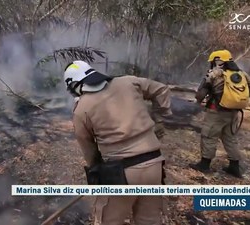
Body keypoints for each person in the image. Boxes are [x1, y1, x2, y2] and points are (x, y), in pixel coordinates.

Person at [63, 60, 172, 225]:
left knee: (109, 220)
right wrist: (158, 120)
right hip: (154, 166)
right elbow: (162, 89)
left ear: (75, 85)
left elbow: (89, 149)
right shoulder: (128, 81)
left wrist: (97, 170)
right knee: (149, 221)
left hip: (121, 175)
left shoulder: (81, 109)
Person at [189, 50, 250, 178]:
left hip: (216, 112)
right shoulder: (242, 74)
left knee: (209, 136)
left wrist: (198, 101)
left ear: (218, 61)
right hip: (234, 113)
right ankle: (234, 167)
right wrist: (236, 100)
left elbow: (200, 95)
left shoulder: (214, 75)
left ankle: (204, 165)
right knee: (230, 138)